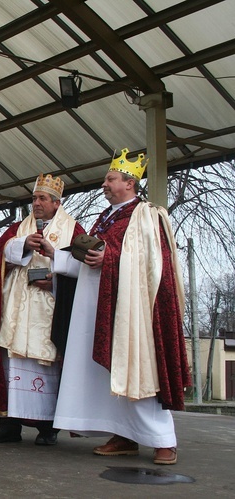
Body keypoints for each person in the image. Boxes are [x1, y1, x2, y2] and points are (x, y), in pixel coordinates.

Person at [52, 148, 190, 465]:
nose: (105, 184)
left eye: (111, 178)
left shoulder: (146, 215)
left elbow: (155, 263)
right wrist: (61, 255)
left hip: (132, 313)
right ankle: (123, 434)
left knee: (138, 370)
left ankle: (163, 441)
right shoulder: (106, 218)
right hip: (98, 307)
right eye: (106, 179)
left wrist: (109, 257)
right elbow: (93, 259)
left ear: (129, 183)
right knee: (109, 376)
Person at [0, 174, 84, 445]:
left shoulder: (74, 230)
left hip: (50, 306)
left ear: (57, 203)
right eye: (34, 198)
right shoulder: (18, 228)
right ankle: (9, 423)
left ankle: (48, 427)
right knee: (14, 363)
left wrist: (55, 275)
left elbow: (84, 268)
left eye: (42, 198)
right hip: (18, 307)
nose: (36, 203)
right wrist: (22, 245)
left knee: (47, 363)